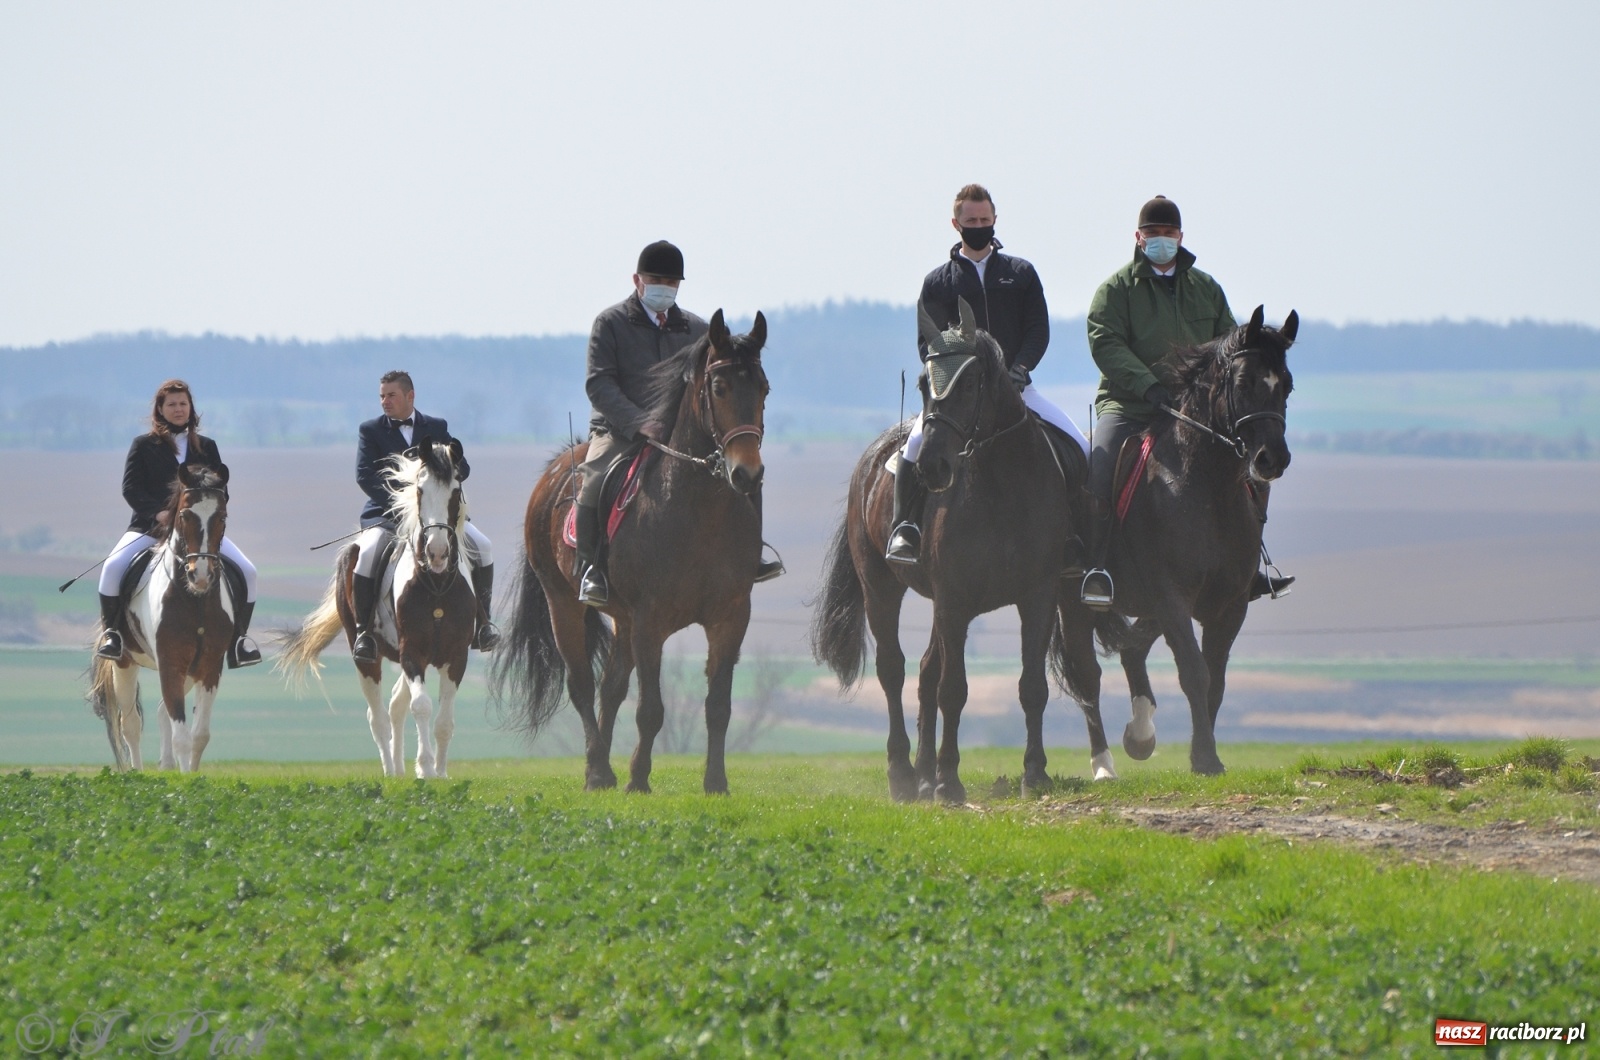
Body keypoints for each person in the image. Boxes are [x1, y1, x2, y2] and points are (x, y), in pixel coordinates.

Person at [1081, 194, 1294, 609]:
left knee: (1249, 467)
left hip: (1193, 411)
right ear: (1138, 238)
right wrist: (1147, 385)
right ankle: (1096, 568)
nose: (1162, 239)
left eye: (1168, 233)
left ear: (1181, 236)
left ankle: (1249, 566)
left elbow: (1231, 347)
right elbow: (1105, 344)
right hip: (1129, 405)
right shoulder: (1114, 291)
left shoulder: (1206, 288)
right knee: (1100, 464)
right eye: (1153, 233)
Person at [885, 183, 1089, 565]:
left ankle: (1074, 537)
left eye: (984, 219)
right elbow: (926, 344)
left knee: (1081, 447)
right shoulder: (937, 282)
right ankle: (905, 528)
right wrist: (952, 377)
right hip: (958, 397)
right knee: (913, 447)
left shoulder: (1022, 274)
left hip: (1015, 389)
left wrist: (1020, 370)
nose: (978, 225)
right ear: (956, 223)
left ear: (995, 220)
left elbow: (1038, 330)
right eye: (971, 220)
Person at [576, 239, 783, 606]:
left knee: (747, 472)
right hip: (619, 429)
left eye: (672, 283)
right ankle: (592, 568)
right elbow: (599, 384)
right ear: (637, 279)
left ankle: (753, 554)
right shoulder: (610, 323)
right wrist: (638, 422)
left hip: (678, 434)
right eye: (657, 280)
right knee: (595, 477)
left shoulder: (697, 329)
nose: (664, 288)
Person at [95, 379, 261, 667]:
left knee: (249, 571)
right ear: (160, 410)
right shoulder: (143, 445)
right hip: (151, 528)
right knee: (112, 568)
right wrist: (157, 514)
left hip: (199, 532)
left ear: (191, 407)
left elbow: (221, 489)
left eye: (183, 403)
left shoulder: (207, 447)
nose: (178, 409)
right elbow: (130, 489)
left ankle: (239, 640)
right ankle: (112, 635)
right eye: (171, 404)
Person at [350, 370, 498, 662]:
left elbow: (463, 468)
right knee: (367, 554)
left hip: (438, 516)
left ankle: (484, 624)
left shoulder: (436, 426)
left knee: (484, 546)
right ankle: (364, 632)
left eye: (391, 395)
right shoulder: (370, 430)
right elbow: (364, 476)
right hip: (387, 514)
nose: (385, 402)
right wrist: (403, 504)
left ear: (410, 396)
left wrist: (447, 467)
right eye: (381, 396)